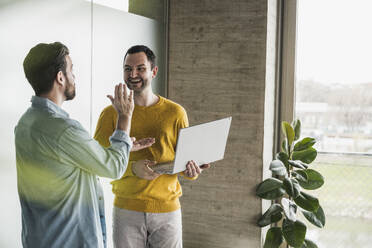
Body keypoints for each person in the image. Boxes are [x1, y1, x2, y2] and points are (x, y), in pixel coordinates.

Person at [15, 42, 155, 248]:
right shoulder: (64, 129)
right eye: (71, 70)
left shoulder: (26, 123)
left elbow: (65, 164)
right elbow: (113, 167)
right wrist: (125, 117)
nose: (74, 76)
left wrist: (123, 147)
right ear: (60, 77)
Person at [94, 45, 210, 248]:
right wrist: (132, 169)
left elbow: (187, 166)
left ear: (154, 71)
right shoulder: (110, 114)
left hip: (167, 211)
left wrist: (192, 170)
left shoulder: (176, 113)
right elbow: (98, 164)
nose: (133, 74)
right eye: (128, 69)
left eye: (140, 68)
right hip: (127, 210)